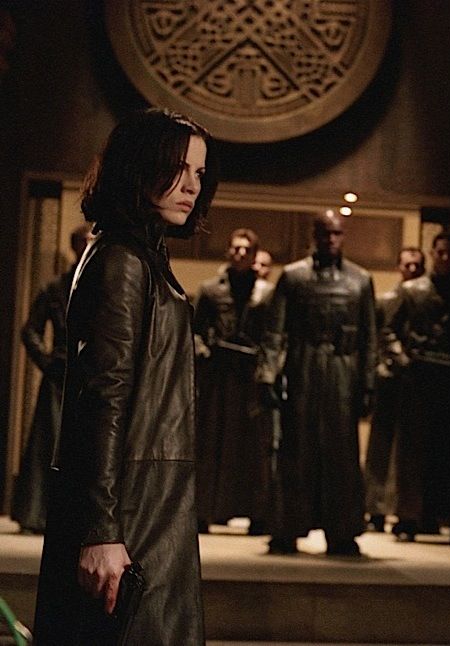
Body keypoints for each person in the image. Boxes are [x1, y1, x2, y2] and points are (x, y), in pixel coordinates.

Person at [34, 108, 218, 643]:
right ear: (139, 167)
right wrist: (101, 530)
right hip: (130, 508)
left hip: (149, 498)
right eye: (178, 168)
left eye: (199, 172)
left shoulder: (143, 257)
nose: (192, 186)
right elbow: (102, 399)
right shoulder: (122, 260)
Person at [259, 211, 377, 556]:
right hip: (303, 369)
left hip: (343, 372)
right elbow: (275, 331)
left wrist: (369, 383)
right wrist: (268, 374)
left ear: (343, 235)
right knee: (296, 449)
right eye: (324, 233)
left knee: (342, 454)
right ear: (314, 235)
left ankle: (342, 532)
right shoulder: (293, 276)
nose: (330, 240)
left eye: (336, 233)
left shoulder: (360, 279)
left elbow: (369, 337)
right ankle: (286, 528)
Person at [389, 233, 450, 545]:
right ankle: (410, 517)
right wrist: (403, 360)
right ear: (433, 253)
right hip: (420, 379)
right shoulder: (412, 291)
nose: (445, 258)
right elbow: (389, 329)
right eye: (440, 252)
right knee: (413, 452)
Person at [11, 224, 92, 534]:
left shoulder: (103, 284)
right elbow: (29, 330)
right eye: (84, 242)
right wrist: (47, 363)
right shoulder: (55, 288)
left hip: (91, 376)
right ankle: (37, 514)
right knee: (48, 445)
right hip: (60, 376)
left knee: (87, 446)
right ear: (75, 247)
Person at [193, 228, 275, 534]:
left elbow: (274, 336)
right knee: (210, 444)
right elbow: (194, 330)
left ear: (254, 254)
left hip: (251, 377)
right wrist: (202, 350)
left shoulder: (267, 293)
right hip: (218, 377)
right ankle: (203, 511)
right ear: (228, 251)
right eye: (236, 248)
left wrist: (268, 370)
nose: (240, 253)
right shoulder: (210, 289)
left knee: (253, 448)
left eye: (246, 249)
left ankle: (257, 513)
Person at [363, 246, 425, 532]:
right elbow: (377, 336)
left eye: (416, 265)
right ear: (399, 267)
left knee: (409, 449)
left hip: (416, 382)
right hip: (390, 379)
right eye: (407, 265)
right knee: (381, 447)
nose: (411, 270)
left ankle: (406, 510)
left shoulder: (424, 299)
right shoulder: (386, 301)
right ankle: (375, 508)